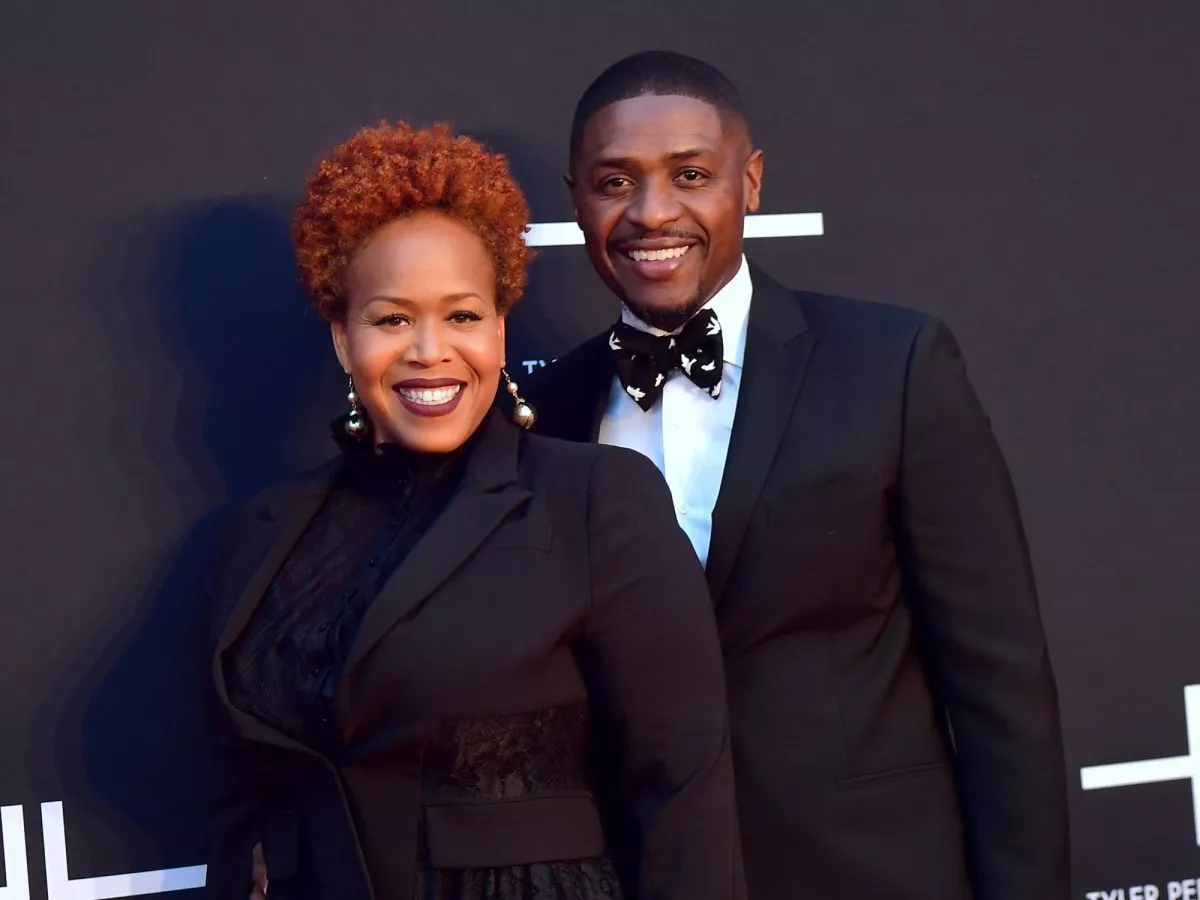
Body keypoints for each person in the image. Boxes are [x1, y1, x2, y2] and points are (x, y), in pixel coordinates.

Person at [523, 51, 1072, 900]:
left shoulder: (891, 365)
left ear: (750, 182)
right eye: (614, 182)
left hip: (871, 875)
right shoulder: (549, 409)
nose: (652, 212)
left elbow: (1000, 683)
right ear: (576, 199)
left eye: (690, 175)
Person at [202, 121, 742, 900]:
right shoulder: (268, 534)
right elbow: (247, 807)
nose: (431, 351)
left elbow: (683, 788)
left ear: (499, 327)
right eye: (392, 319)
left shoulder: (595, 501)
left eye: (462, 316)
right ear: (343, 339)